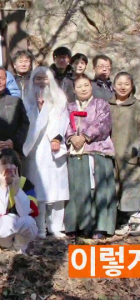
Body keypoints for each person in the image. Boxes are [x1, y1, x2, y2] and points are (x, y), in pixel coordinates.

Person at [65, 74, 117, 239]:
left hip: (98, 150)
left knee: (101, 189)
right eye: (79, 86)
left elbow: (103, 124)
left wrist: (85, 136)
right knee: (78, 189)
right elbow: (64, 124)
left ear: (91, 86)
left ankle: (101, 227)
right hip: (76, 152)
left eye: (86, 85)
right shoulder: (69, 107)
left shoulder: (101, 104)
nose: (83, 89)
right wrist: (72, 137)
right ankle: (82, 225)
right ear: (74, 90)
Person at [22, 67, 70, 239]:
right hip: (34, 149)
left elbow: (63, 121)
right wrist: (39, 109)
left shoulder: (60, 99)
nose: (41, 82)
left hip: (54, 148)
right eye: (38, 79)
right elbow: (27, 122)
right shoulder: (26, 100)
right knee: (38, 190)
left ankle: (56, 226)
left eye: (45, 78)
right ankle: (40, 227)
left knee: (57, 190)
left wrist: (57, 138)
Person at [0, 149, 39, 254]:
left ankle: (20, 247)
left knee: (29, 222)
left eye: (12, 163)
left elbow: (26, 212)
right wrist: (3, 187)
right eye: (4, 163)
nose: (9, 167)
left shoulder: (26, 184)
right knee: (7, 220)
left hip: (20, 226)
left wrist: (17, 189)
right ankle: (6, 246)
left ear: (18, 166)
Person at [108, 72, 140, 236]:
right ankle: (119, 221)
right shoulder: (108, 105)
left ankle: (134, 220)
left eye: (126, 84)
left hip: (131, 155)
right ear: (113, 86)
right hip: (111, 154)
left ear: (132, 86)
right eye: (119, 83)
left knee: (131, 186)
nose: (122, 87)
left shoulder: (137, 106)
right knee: (113, 187)